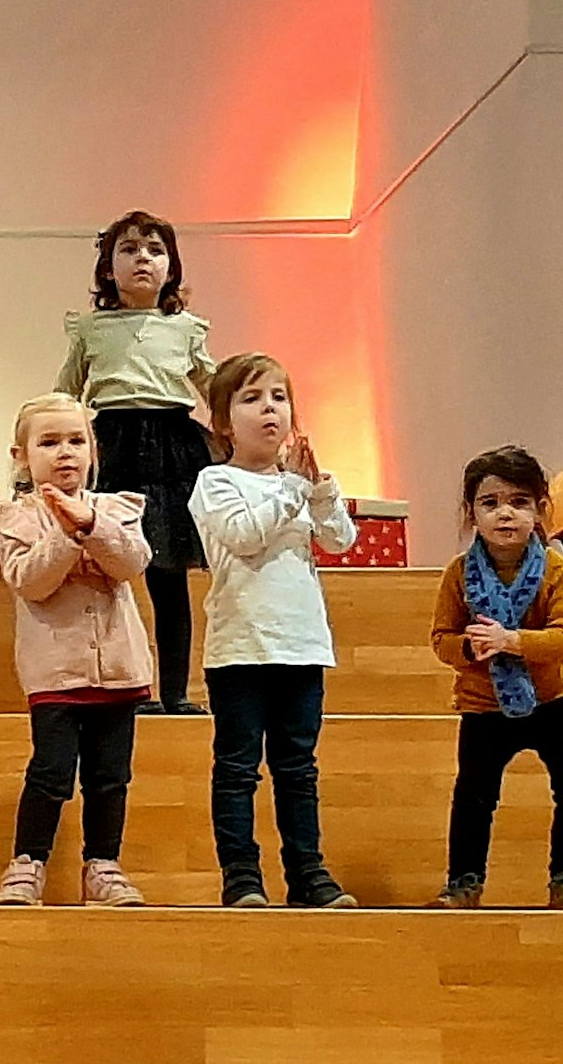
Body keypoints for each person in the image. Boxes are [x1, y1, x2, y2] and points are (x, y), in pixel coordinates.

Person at [0, 393, 150, 907]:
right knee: (51, 772)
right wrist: (70, 534)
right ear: (22, 456)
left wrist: (91, 524)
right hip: (55, 677)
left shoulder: (118, 509)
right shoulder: (11, 518)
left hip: (119, 669)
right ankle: (27, 864)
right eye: (49, 442)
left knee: (110, 777)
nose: (65, 452)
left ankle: (104, 866)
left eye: (76, 441)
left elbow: (131, 563)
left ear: (93, 450)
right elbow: (30, 580)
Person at [189, 352, 358, 909]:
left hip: (301, 643)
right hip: (240, 648)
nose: (270, 410)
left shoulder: (300, 487)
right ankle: (241, 876)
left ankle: (307, 873)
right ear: (223, 421)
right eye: (252, 398)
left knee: (298, 768)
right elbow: (243, 536)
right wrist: (293, 493)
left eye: (279, 398)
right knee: (238, 768)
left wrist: (321, 489)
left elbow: (339, 540)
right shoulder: (215, 482)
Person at [428, 445, 563, 910]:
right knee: (474, 797)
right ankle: (463, 883)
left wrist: (512, 641)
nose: (506, 514)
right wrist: (470, 648)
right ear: (471, 514)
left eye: (520, 502)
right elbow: (441, 638)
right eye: (490, 503)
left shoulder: (557, 569)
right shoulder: (459, 574)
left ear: (541, 510)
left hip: (551, 700)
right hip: (484, 706)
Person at [56, 210, 215, 715]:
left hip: (173, 448)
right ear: (108, 268)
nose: (141, 258)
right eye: (128, 249)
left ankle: (175, 691)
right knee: (107, 570)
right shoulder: (91, 329)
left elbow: (214, 389)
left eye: (154, 249)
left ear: (172, 267)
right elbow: (66, 392)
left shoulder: (186, 328)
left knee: (168, 576)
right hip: (113, 445)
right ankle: (120, 684)